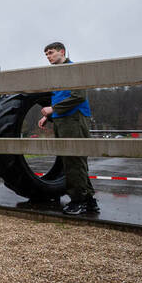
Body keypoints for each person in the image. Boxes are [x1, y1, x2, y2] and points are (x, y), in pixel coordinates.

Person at [38, 42, 100, 215]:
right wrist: (48, 116)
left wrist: (53, 110)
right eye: (46, 55)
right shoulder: (56, 74)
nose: (48, 56)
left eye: (51, 53)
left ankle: (78, 201)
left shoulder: (73, 69)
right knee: (70, 161)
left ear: (62, 52)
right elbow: (59, 97)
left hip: (74, 119)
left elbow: (78, 96)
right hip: (61, 119)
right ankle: (89, 201)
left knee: (75, 160)